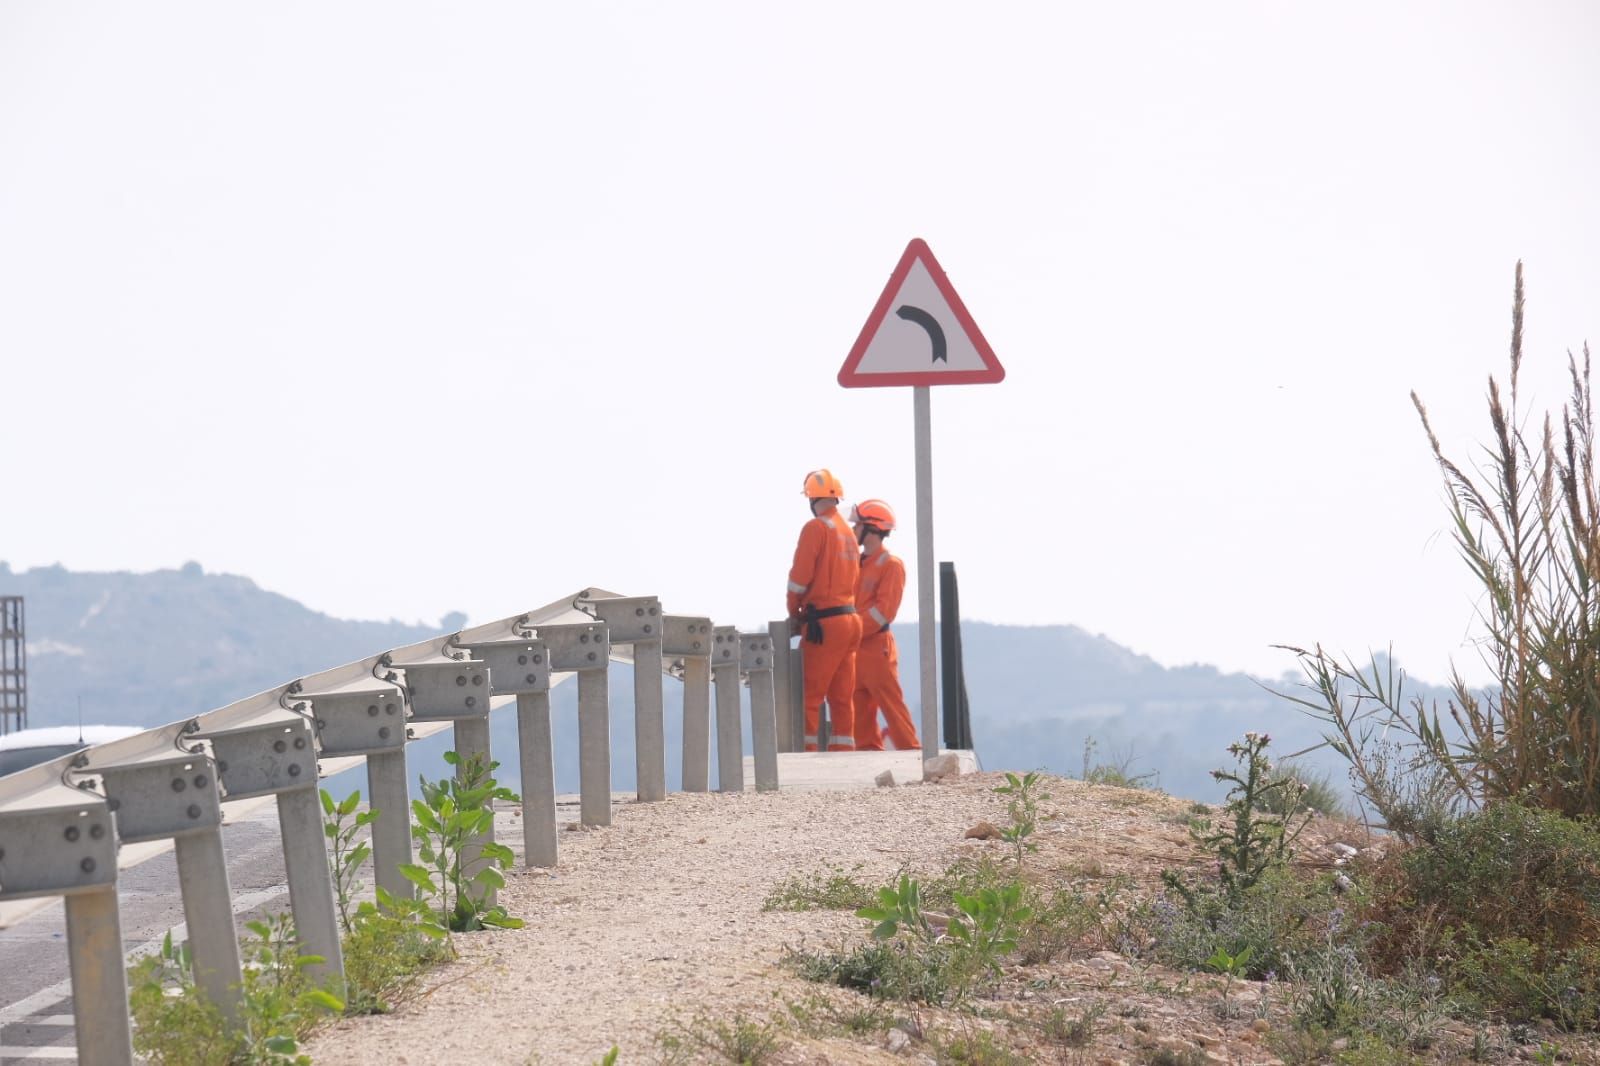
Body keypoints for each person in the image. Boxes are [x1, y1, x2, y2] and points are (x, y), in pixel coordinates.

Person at [787, 469, 862, 751]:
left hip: (825, 624)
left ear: (810, 498)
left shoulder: (816, 528)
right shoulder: (848, 533)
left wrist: (794, 613)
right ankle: (844, 754)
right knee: (842, 697)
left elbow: (799, 579)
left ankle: (806, 755)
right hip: (851, 620)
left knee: (810, 695)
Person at [850, 499, 921, 751]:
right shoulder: (854, 564)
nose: (853, 529)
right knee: (858, 708)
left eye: (857, 524)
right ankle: (868, 755)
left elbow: (884, 612)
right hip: (854, 650)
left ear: (872, 529)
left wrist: (851, 629)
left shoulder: (891, 566)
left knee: (891, 704)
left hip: (877, 648)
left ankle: (912, 753)